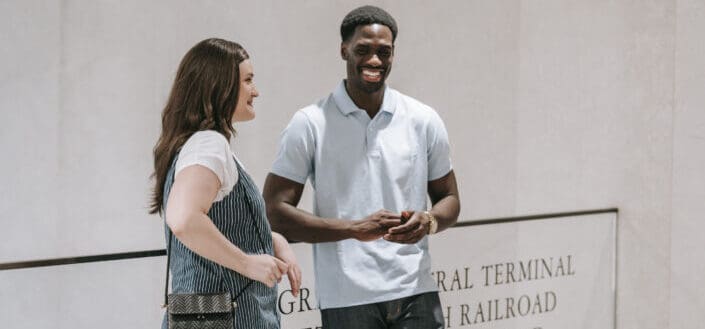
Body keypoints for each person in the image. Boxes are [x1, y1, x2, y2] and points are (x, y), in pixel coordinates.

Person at [263, 6, 460, 329]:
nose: (374, 61)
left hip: (416, 291)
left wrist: (430, 220)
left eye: (384, 52)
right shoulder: (310, 123)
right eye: (363, 50)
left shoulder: (423, 120)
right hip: (347, 297)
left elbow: (449, 198)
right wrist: (354, 228)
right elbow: (274, 212)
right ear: (344, 50)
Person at [149, 38, 302, 329]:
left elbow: (222, 224)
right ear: (220, 86)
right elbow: (183, 219)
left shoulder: (193, 146)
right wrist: (248, 263)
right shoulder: (209, 144)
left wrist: (272, 240)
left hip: (204, 315)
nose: (255, 91)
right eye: (248, 80)